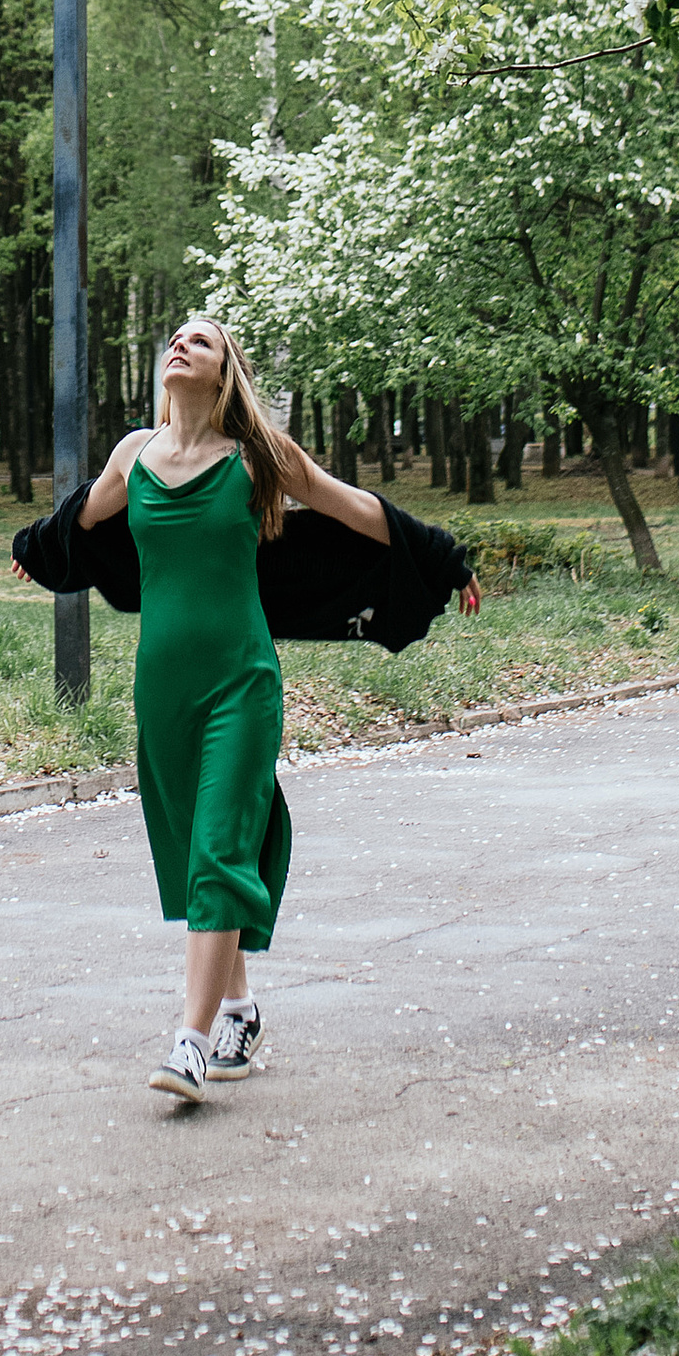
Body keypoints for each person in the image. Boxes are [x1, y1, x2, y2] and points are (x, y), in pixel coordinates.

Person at [24, 316, 402, 1109]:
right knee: (197, 850)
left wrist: (438, 559)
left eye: (201, 339)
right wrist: (37, 548)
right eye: (174, 337)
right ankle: (239, 1010)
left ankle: (189, 1046)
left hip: (240, 682)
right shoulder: (134, 455)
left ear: (225, 370)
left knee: (221, 848)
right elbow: (80, 524)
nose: (180, 344)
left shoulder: (257, 459)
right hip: (162, 691)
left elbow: (355, 509)